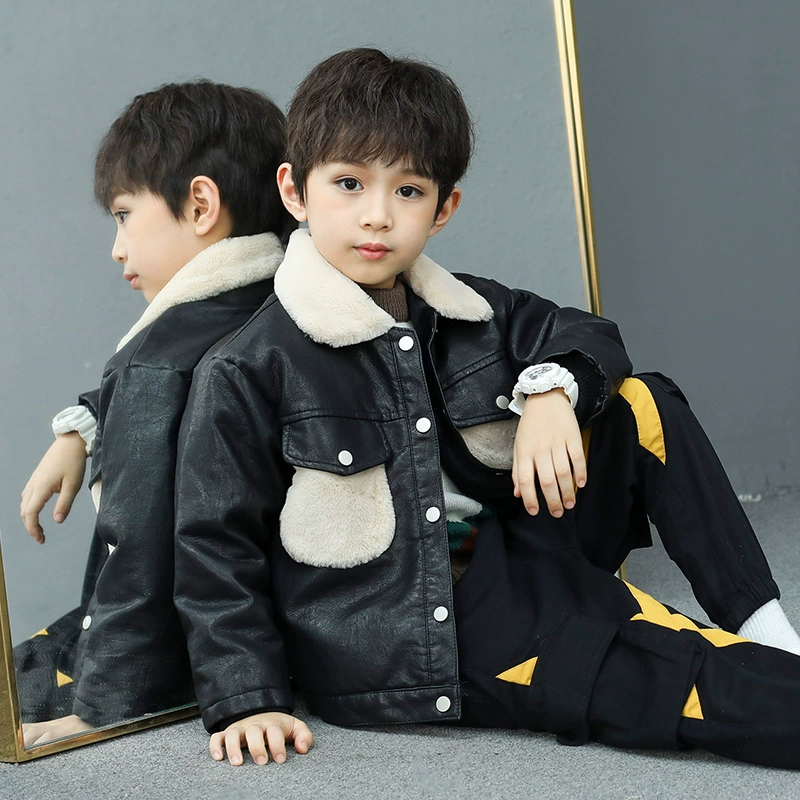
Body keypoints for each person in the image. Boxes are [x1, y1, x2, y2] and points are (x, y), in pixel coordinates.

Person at [174, 48, 800, 770]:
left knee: (640, 400)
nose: (377, 215)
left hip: (532, 544)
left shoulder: (472, 308)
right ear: (295, 191)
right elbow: (214, 546)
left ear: (444, 209)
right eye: (348, 183)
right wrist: (245, 697)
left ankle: (766, 628)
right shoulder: (246, 367)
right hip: (428, 628)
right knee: (685, 679)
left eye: (409, 191)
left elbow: (585, 333)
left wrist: (551, 393)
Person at [16, 79, 295, 746]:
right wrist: (83, 428)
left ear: (200, 205)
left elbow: (137, 549)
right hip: (290, 635)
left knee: (17, 679)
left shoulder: (154, 363)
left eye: (123, 216)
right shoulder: (292, 312)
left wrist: (102, 706)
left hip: (170, 655)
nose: (116, 248)